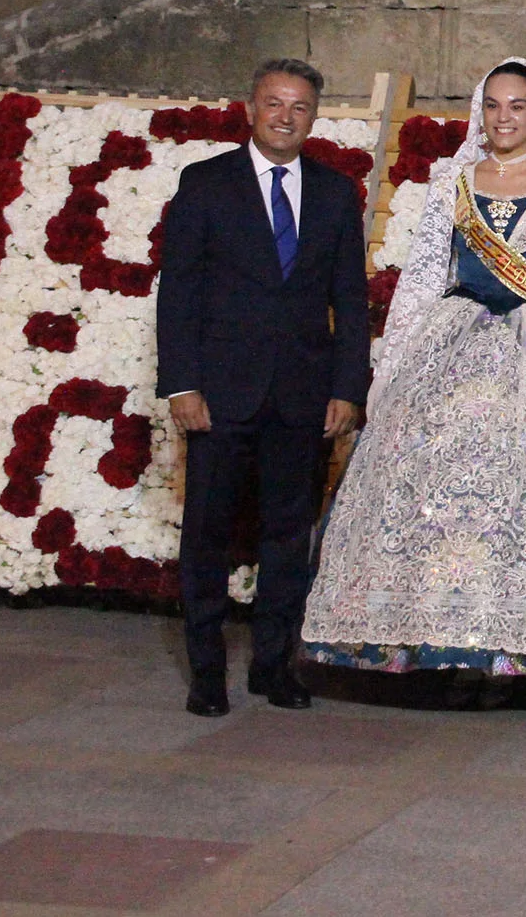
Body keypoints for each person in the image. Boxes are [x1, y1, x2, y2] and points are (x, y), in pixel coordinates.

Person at [299, 59, 526, 681]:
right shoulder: (454, 178)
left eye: (518, 106)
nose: (505, 118)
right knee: (427, 459)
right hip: (454, 337)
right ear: (482, 110)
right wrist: (392, 370)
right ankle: (426, 635)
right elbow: (424, 279)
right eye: (494, 105)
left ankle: (520, 645)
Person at [156, 59, 370, 717]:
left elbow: (351, 302)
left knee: (287, 535)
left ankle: (275, 665)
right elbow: (180, 292)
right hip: (219, 395)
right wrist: (182, 384)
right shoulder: (205, 184)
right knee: (208, 535)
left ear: (314, 116)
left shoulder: (336, 194)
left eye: (300, 106)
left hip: (302, 396)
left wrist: (347, 389)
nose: (286, 116)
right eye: (274, 103)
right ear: (250, 108)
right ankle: (207, 672)